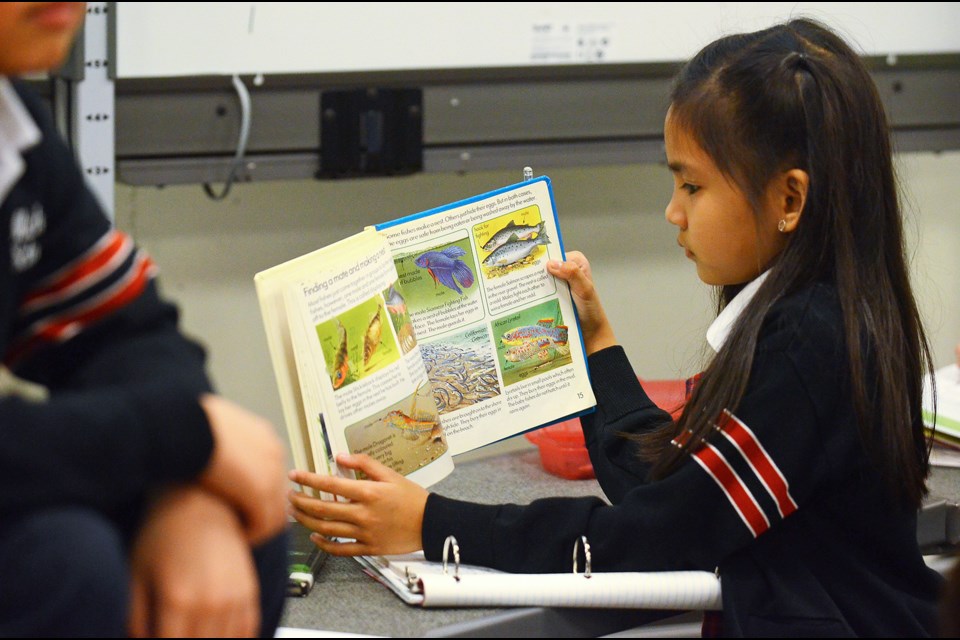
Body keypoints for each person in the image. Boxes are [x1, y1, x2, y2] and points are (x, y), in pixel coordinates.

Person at [288, 17, 944, 637]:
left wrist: (433, 524)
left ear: (790, 200)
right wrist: (596, 345)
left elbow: (659, 535)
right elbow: (673, 490)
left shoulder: (811, 342)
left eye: (691, 187)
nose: (672, 213)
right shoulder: (816, 316)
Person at [0, 4, 288, 637]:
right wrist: (181, 440)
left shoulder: (15, 127)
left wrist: (186, 492)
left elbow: (126, 332)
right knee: (66, 563)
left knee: (240, 528)